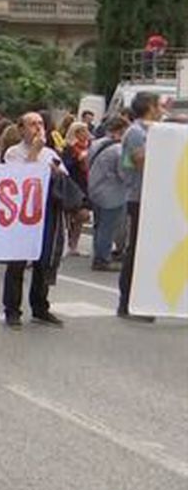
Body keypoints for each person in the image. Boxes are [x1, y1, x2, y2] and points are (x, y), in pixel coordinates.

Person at [1, 112, 65, 329]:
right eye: (32, 124)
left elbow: (63, 177)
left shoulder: (50, 153)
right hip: (21, 214)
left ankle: (40, 307)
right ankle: (12, 310)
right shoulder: (13, 152)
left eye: (40, 124)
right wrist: (36, 151)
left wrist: (55, 169)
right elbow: (20, 179)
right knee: (17, 263)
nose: (38, 128)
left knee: (43, 261)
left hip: (46, 211)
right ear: (21, 129)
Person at [116, 93, 160, 322]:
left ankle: (141, 300)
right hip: (137, 197)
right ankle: (127, 303)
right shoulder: (136, 132)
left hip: (149, 197)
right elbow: (141, 160)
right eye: (158, 105)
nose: (161, 110)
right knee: (135, 251)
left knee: (147, 251)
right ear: (150, 107)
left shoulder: (150, 129)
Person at [87, 116, 129, 272]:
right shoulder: (119, 150)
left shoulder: (96, 143)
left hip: (95, 188)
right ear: (121, 130)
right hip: (112, 193)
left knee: (99, 225)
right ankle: (102, 259)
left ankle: (98, 253)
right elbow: (123, 173)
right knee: (108, 227)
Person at [61, 122, 93, 257]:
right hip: (72, 184)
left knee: (83, 215)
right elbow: (65, 166)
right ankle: (67, 242)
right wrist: (76, 159)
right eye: (83, 131)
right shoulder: (69, 148)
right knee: (69, 214)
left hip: (85, 185)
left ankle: (74, 244)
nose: (86, 134)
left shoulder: (89, 147)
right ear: (76, 133)